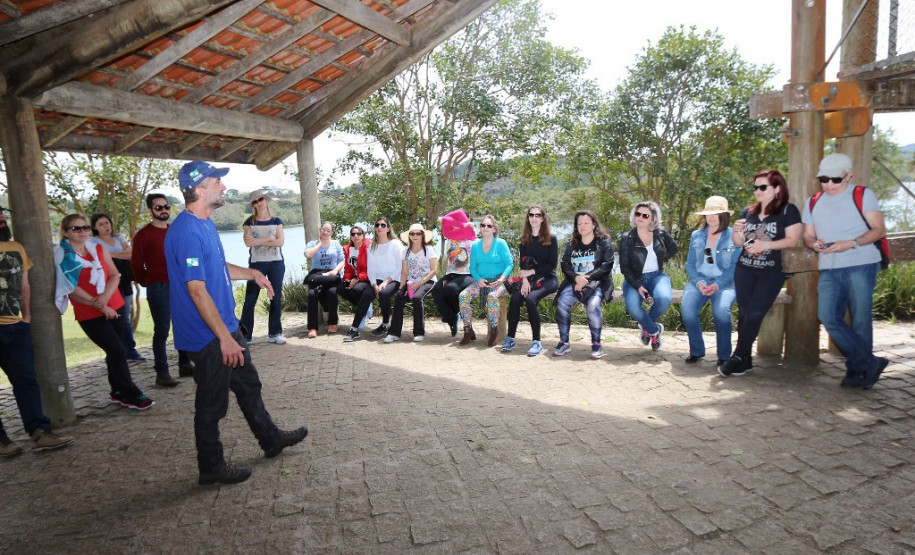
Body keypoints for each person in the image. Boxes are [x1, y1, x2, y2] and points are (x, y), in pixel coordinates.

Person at [165, 161, 307, 486]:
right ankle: (211, 466)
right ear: (200, 190)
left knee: (248, 385)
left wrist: (253, 273)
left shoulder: (204, 224)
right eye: (218, 182)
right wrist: (225, 339)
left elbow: (218, 267)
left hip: (225, 327)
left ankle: (270, 438)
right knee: (212, 402)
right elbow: (196, 290)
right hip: (209, 335)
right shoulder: (186, 231)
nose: (224, 188)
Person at [802, 153, 889, 389]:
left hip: (860, 264)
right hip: (828, 268)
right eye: (824, 179)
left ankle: (856, 371)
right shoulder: (813, 201)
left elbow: (878, 229)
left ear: (848, 176)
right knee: (827, 316)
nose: (829, 184)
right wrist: (814, 244)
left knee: (861, 319)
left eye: (835, 180)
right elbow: (808, 235)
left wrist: (849, 243)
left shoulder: (863, 195)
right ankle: (869, 362)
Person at [54, 214, 154, 410]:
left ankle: (117, 391)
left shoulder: (97, 248)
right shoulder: (63, 256)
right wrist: (100, 306)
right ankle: (131, 392)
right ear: (65, 232)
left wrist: (106, 300)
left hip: (114, 304)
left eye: (85, 228)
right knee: (117, 349)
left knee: (116, 350)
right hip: (89, 311)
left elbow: (114, 274)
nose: (83, 231)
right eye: (76, 228)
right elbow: (71, 288)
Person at [0, 210, 75, 457]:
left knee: (27, 381)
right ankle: (2, 441)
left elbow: (24, 284)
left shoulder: (15, 248)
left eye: (2, 215)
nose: (2, 219)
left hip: (16, 327)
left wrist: (27, 317)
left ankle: (39, 432)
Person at [720, 169, 802, 377]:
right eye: (755, 187)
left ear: (776, 188)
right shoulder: (749, 212)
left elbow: (792, 240)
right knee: (746, 314)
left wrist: (766, 246)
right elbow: (738, 243)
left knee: (755, 313)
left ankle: (738, 355)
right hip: (744, 269)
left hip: (771, 272)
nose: (758, 191)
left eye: (763, 187)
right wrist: (737, 232)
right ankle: (745, 361)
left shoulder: (787, 211)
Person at [131, 194, 194, 386]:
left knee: (182, 325)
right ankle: (162, 372)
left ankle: (185, 364)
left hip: (179, 286)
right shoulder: (143, 235)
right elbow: (135, 265)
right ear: (150, 211)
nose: (164, 210)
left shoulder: (175, 231)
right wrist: (148, 282)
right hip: (158, 287)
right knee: (162, 330)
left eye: (166, 206)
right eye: (158, 208)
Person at [681, 196, 741, 366]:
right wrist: (699, 282)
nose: (711, 217)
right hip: (700, 281)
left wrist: (717, 285)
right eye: (708, 213)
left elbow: (734, 267)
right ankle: (697, 350)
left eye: (716, 213)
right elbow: (690, 264)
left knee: (721, 310)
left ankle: (723, 356)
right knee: (687, 310)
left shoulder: (733, 236)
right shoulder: (697, 236)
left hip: (725, 282)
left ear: (724, 215)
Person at [554, 210, 615, 359]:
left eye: (586, 223)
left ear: (594, 224)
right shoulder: (571, 244)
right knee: (562, 302)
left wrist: (586, 278)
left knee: (593, 306)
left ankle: (596, 344)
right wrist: (576, 278)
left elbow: (607, 265)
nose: (582, 226)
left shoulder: (604, 243)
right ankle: (564, 342)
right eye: (579, 223)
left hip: (597, 283)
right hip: (574, 282)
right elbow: (565, 265)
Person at [619, 201, 679, 351]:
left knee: (664, 298)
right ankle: (654, 330)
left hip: (657, 276)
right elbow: (624, 267)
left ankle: (646, 327)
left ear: (652, 219)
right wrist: (637, 286)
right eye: (637, 214)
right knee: (633, 307)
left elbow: (674, 248)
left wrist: (662, 258)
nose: (640, 217)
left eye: (645, 215)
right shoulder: (627, 238)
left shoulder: (661, 233)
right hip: (634, 278)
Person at [500, 205, 559, 356]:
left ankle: (536, 342)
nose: (534, 218)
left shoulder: (551, 239)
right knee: (516, 298)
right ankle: (510, 338)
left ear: (543, 218)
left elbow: (551, 265)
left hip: (548, 279)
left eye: (537, 215)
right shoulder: (524, 240)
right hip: (529, 280)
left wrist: (531, 272)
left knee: (531, 299)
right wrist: (525, 280)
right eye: (531, 215)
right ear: (528, 218)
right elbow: (523, 263)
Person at [90, 212, 145, 362]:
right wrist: (117, 254)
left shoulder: (119, 238)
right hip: (107, 285)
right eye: (101, 224)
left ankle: (130, 350)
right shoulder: (92, 242)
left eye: (107, 223)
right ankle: (116, 350)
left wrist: (110, 255)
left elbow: (131, 254)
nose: (105, 226)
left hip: (124, 282)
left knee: (125, 316)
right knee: (112, 317)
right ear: (94, 227)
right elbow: (97, 259)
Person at [343, 217, 403, 342]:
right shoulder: (372, 247)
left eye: (383, 225)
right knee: (366, 295)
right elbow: (371, 269)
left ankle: (386, 324)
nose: (379, 227)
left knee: (383, 293)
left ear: (388, 228)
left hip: (395, 279)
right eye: (377, 225)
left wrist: (386, 282)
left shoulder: (396, 244)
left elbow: (400, 267)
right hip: (377, 280)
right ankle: (354, 329)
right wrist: (374, 284)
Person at [458, 215, 513, 347]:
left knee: (492, 296)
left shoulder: (500, 243)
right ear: (480, 228)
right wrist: (479, 280)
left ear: (494, 229)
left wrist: (501, 279)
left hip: (500, 280)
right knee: (463, 296)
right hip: (482, 281)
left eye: (489, 226)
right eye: (483, 225)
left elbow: (509, 264)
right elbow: (472, 267)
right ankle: (468, 329)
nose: (486, 228)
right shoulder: (476, 245)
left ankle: (494, 331)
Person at [239, 189, 286, 345]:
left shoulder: (277, 220)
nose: (258, 203)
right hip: (256, 265)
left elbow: (280, 242)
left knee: (276, 297)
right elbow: (247, 243)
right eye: (255, 201)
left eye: (261, 199)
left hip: (276, 263)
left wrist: (257, 240)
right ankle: (245, 336)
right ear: (253, 205)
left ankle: (275, 333)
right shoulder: (249, 222)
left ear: (266, 200)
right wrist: (269, 237)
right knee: (250, 299)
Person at [384, 224, 438, 343]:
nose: (415, 236)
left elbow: (434, 270)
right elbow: (404, 272)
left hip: (427, 280)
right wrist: (401, 287)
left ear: (422, 235)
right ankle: (394, 333)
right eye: (412, 233)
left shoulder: (429, 249)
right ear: (409, 236)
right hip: (410, 282)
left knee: (417, 298)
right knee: (399, 297)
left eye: (418, 233)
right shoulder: (405, 251)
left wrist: (419, 283)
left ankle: (419, 332)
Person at [430, 209, 475, 338]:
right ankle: (452, 317)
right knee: (437, 290)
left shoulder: (473, 239)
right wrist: (447, 276)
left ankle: (457, 314)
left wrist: (471, 228)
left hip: (468, 275)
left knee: (451, 290)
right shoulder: (451, 239)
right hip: (451, 274)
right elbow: (451, 261)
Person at [304, 221, 344, 338]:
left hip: (332, 273)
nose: (325, 232)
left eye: (328, 230)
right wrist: (320, 244)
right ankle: (312, 328)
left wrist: (335, 271)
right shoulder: (312, 243)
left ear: (331, 232)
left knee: (332, 292)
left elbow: (342, 260)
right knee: (311, 294)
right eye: (323, 230)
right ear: (320, 230)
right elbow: (308, 255)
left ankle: (332, 323)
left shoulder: (336, 244)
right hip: (317, 273)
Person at [338, 224, 373, 332]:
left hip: (368, 278)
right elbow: (348, 269)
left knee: (357, 290)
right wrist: (347, 280)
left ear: (363, 235)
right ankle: (365, 305)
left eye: (359, 233)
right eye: (353, 234)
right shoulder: (349, 249)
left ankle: (361, 314)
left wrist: (357, 279)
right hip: (355, 278)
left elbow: (372, 269)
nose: (356, 236)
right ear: (351, 236)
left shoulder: (369, 248)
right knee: (339, 288)